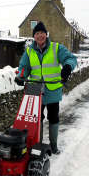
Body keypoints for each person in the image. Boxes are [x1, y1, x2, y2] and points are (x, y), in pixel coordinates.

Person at [15, 21, 77, 155]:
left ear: (46, 34)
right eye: (37, 33)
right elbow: (24, 67)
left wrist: (67, 67)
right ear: (34, 36)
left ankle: (53, 145)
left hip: (53, 89)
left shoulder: (56, 48)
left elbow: (70, 58)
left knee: (53, 117)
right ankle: (38, 144)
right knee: (36, 119)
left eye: (42, 32)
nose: (39, 35)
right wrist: (21, 76)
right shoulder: (29, 51)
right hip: (34, 90)